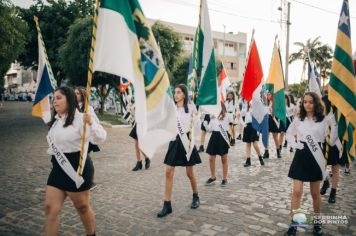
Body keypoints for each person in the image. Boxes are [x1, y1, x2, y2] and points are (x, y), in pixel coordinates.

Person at [45, 87, 106, 236]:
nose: (55, 101)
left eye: (59, 98)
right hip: (59, 168)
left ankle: (91, 234)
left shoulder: (81, 119)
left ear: (69, 100)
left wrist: (91, 122)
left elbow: (101, 138)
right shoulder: (56, 121)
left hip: (77, 168)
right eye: (54, 98)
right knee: (49, 209)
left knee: (82, 207)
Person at [284, 92, 337, 236]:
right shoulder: (298, 120)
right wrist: (295, 144)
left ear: (316, 104)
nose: (307, 105)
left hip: (316, 155)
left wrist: (334, 124)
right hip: (301, 155)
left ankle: (317, 222)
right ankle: (294, 224)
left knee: (315, 193)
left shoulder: (323, 119)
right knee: (297, 191)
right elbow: (288, 133)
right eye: (305, 102)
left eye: (311, 102)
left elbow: (332, 141)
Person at [157, 84, 201, 218]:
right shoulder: (172, 109)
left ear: (184, 94)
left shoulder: (191, 108)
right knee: (168, 171)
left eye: (179, 92)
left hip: (186, 141)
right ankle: (167, 204)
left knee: (190, 172)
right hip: (175, 141)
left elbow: (197, 127)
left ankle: (195, 196)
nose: (176, 95)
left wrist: (197, 117)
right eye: (175, 92)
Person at [319, 95, 347, 203]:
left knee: (335, 170)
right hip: (323, 144)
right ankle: (325, 182)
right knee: (321, 167)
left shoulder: (336, 116)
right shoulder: (320, 115)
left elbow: (336, 133)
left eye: (321, 104)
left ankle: (333, 192)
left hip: (335, 145)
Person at [75, 87, 101, 190]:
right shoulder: (73, 107)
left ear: (82, 96)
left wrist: (89, 120)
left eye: (77, 93)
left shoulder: (88, 108)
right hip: (77, 138)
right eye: (74, 93)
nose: (75, 95)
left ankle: (92, 181)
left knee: (87, 160)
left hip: (87, 139)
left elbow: (96, 122)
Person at [204, 102, 230, 186]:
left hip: (223, 137)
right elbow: (209, 129)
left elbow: (234, 122)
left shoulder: (227, 115)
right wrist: (205, 123)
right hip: (214, 136)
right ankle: (213, 177)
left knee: (224, 158)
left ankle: (224, 178)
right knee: (211, 158)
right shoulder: (213, 116)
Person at [242, 102, 264, 167]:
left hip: (255, 126)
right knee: (248, 144)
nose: (250, 103)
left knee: (255, 144)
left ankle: (260, 157)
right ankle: (248, 160)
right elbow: (241, 116)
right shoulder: (245, 109)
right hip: (247, 127)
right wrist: (244, 124)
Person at [263, 92, 282, 159]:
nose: (268, 95)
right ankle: (266, 151)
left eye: (270, 94)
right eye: (267, 94)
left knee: (275, 137)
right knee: (266, 137)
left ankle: (278, 151)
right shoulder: (266, 103)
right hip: (267, 119)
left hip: (273, 119)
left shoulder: (275, 103)